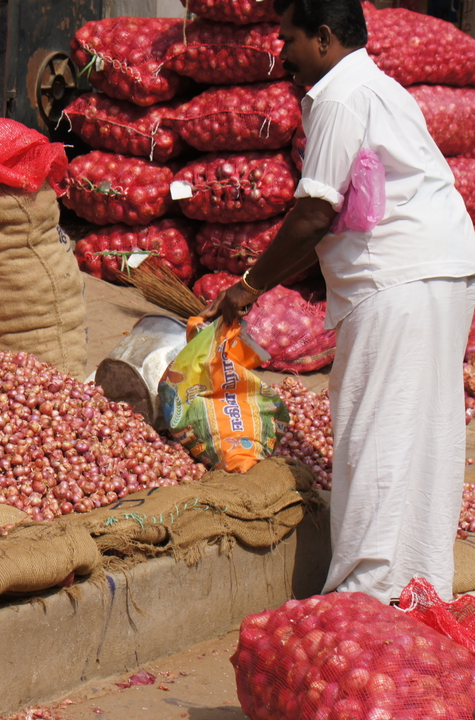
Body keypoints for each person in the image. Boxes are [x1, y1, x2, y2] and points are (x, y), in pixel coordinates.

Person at [204, 0, 475, 603]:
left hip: (398, 278)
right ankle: (416, 586)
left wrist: (247, 287)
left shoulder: (340, 96)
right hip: (443, 267)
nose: (284, 53)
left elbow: (313, 214)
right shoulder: (380, 86)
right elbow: (331, 217)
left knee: (372, 430)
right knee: (425, 429)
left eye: (291, 39)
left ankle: (365, 594)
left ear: (323, 38)